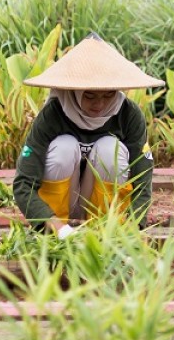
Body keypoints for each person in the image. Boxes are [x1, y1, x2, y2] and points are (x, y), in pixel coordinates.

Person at [12, 34, 161, 237]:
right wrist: (55, 227)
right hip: (59, 216)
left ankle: (107, 227)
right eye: (90, 96)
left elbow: (143, 181)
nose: (99, 104)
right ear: (75, 91)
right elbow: (23, 184)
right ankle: (56, 229)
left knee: (110, 148)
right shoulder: (53, 115)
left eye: (108, 95)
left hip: (103, 210)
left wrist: (132, 229)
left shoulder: (128, 115)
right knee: (64, 146)